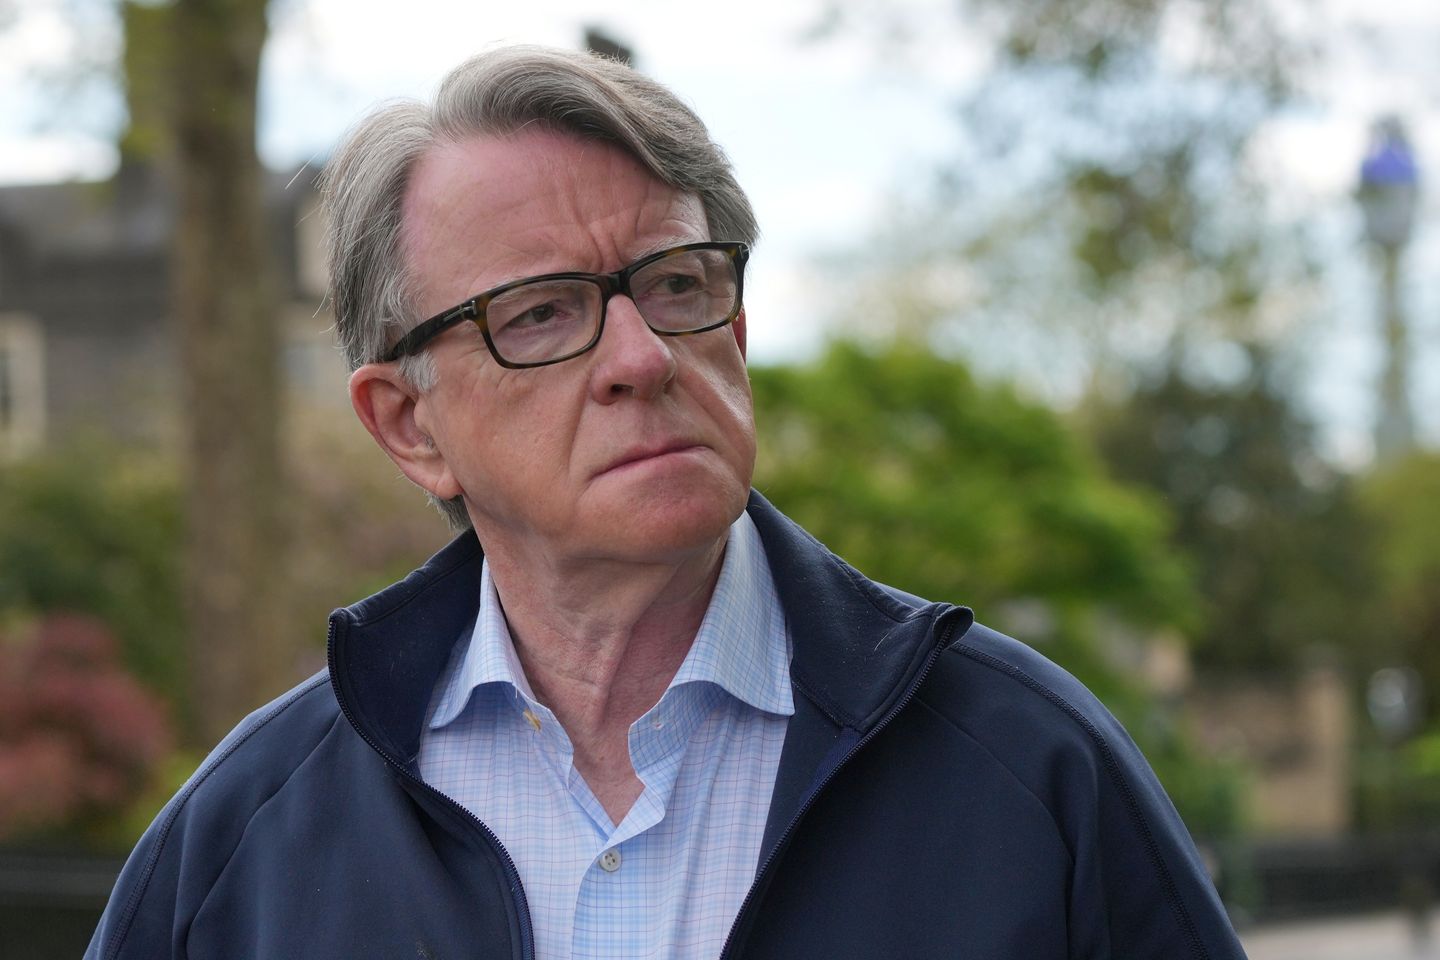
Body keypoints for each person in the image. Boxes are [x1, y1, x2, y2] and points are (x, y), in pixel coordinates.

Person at [87, 45, 1248, 960]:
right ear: (408, 424)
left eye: (677, 284)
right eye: (540, 313)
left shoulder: (1030, 768)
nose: (642, 356)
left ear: (736, 332)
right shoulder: (243, 845)